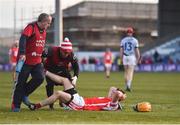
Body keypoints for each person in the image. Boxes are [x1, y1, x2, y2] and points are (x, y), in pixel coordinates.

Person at [11, 13, 52, 112]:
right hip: (25, 61)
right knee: (20, 83)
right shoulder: (31, 27)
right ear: (43, 21)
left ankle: (24, 94)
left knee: (40, 78)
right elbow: (23, 39)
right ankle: (16, 105)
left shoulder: (44, 31)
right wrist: (22, 53)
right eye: (49, 23)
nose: (49, 25)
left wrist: (42, 53)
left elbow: (38, 44)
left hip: (37, 61)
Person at [28, 70, 126, 111]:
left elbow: (116, 93)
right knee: (65, 80)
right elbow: (112, 88)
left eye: (117, 95)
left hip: (80, 105)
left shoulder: (113, 105)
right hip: (79, 99)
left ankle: (36, 106)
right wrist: (118, 91)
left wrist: (121, 95)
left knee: (58, 93)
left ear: (118, 99)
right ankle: (45, 71)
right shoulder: (108, 99)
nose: (113, 93)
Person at [42, 37, 79, 109]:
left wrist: (75, 77)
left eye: (68, 53)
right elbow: (41, 55)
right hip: (50, 69)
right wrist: (41, 65)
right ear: (60, 49)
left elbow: (76, 66)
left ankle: (63, 100)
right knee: (50, 85)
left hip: (63, 70)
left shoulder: (71, 54)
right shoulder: (52, 50)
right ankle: (51, 105)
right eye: (64, 52)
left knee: (71, 83)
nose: (66, 54)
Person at [120, 27, 141, 92]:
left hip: (125, 56)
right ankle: (128, 85)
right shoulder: (135, 40)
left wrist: (121, 58)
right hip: (131, 56)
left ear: (127, 33)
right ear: (132, 33)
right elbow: (137, 50)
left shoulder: (123, 40)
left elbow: (121, 50)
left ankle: (126, 86)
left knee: (126, 72)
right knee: (131, 72)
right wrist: (138, 58)